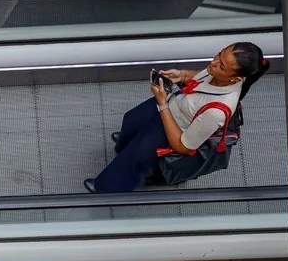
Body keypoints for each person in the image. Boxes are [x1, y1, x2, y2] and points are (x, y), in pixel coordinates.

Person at [85, 42, 268, 193]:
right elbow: (200, 77)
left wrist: (162, 103)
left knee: (136, 158)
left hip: (173, 127)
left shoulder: (217, 112)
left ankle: (106, 189)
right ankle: (126, 145)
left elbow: (182, 146)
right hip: (172, 105)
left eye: (221, 65)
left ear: (235, 79)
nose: (213, 62)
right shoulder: (219, 73)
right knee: (131, 120)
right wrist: (181, 75)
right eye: (219, 55)